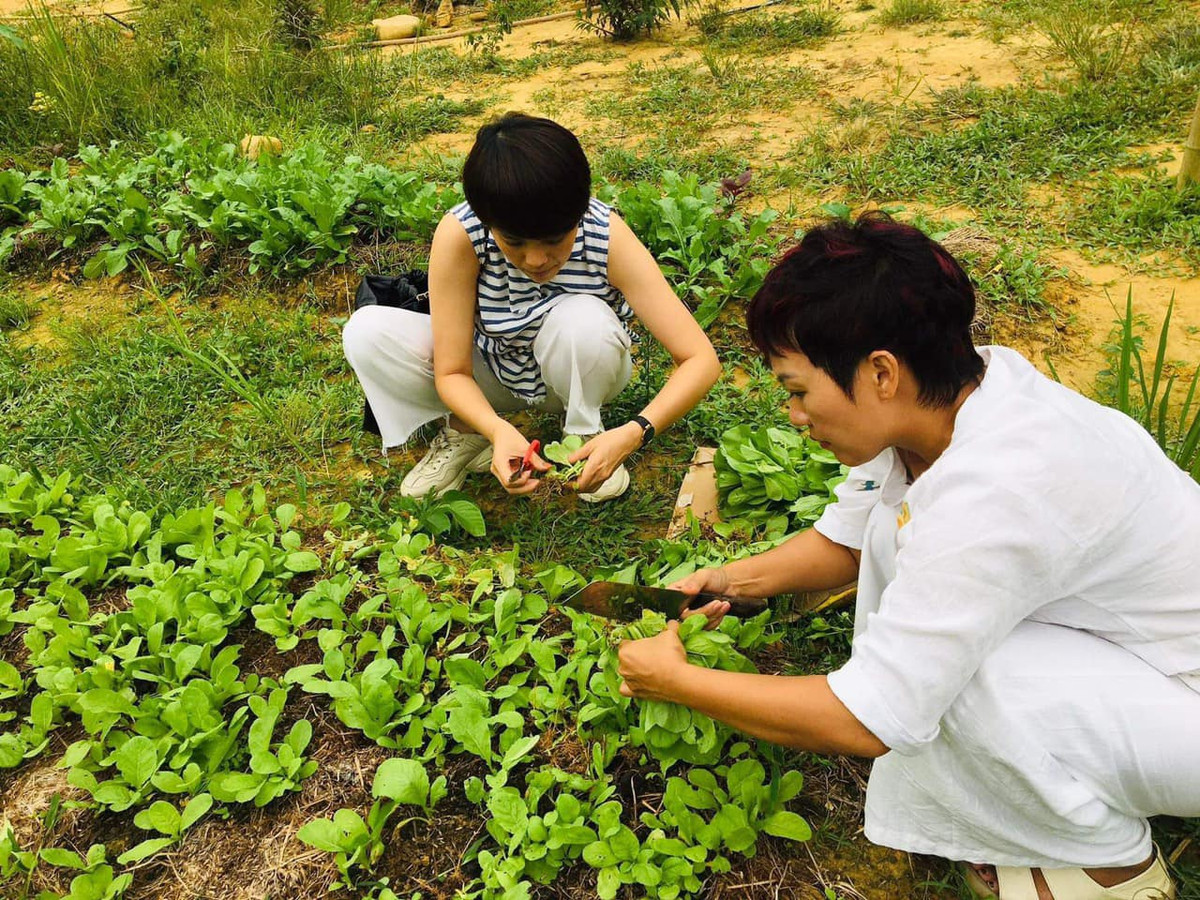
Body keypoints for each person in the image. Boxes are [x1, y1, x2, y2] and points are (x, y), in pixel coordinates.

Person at [617, 213, 1200, 899]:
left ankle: (1108, 869)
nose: (795, 417)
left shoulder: (996, 487)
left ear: (882, 373)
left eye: (799, 391)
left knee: (952, 679)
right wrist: (731, 579)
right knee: (940, 639)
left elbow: (872, 717)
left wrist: (676, 682)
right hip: (1146, 666)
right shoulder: (954, 403)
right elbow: (847, 539)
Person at [343, 113, 720, 502]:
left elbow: (700, 359)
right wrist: (496, 429)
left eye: (555, 239)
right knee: (367, 333)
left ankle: (585, 432)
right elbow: (452, 369)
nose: (537, 259)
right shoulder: (461, 235)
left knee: (583, 321)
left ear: (579, 214)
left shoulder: (605, 235)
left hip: (579, 366)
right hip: (494, 371)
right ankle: (468, 432)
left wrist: (633, 432)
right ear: (487, 221)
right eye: (515, 242)